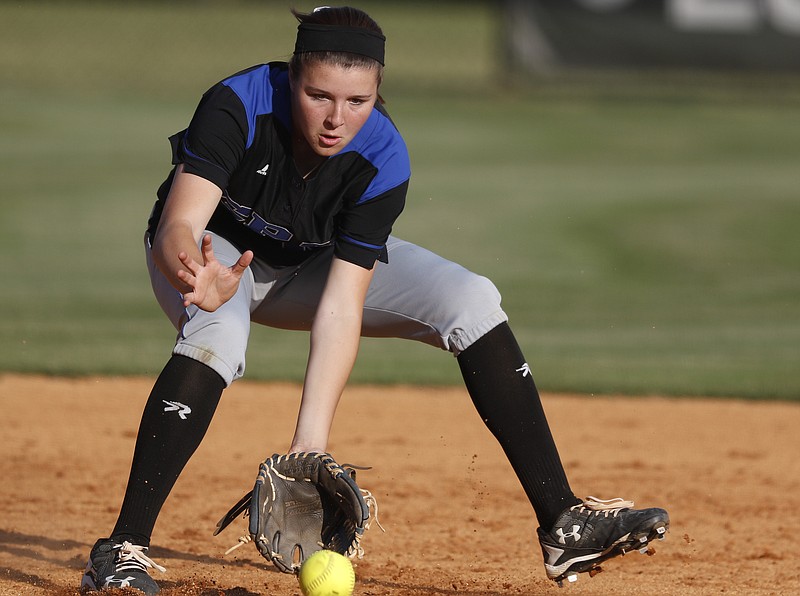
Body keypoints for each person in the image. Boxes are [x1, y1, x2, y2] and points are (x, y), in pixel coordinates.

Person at [81, 6, 669, 594]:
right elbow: (178, 223)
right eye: (319, 96)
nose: (337, 118)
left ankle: (562, 522)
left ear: (377, 92)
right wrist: (191, 272)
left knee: (471, 299)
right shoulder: (238, 104)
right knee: (218, 334)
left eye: (357, 101)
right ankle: (122, 550)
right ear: (292, 77)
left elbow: (341, 304)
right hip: (217, 257)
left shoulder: (384, 157)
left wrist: (308, 447)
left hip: (312, 266)